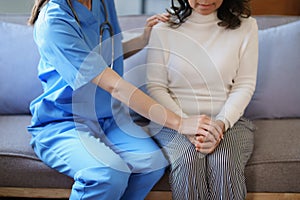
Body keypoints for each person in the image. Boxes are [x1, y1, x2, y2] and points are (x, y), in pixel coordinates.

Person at [27, 0, 207, 199]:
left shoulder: (102, 2)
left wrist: (143, 39)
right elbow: (116, 86)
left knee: (152, 164)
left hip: (109, 118)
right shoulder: (54, 21)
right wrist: (180, 123)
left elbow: (107, 53)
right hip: (64, 121)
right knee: (106, 174)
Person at [146, 0, 258, 199]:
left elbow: (244, 85)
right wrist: (185, 124)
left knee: (223, 161)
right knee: (188, 159)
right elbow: (156, 87)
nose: (205, 0)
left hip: (226, 121)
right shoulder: (163, 28)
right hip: (173, 121)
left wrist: (220, 124)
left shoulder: (246, 26)